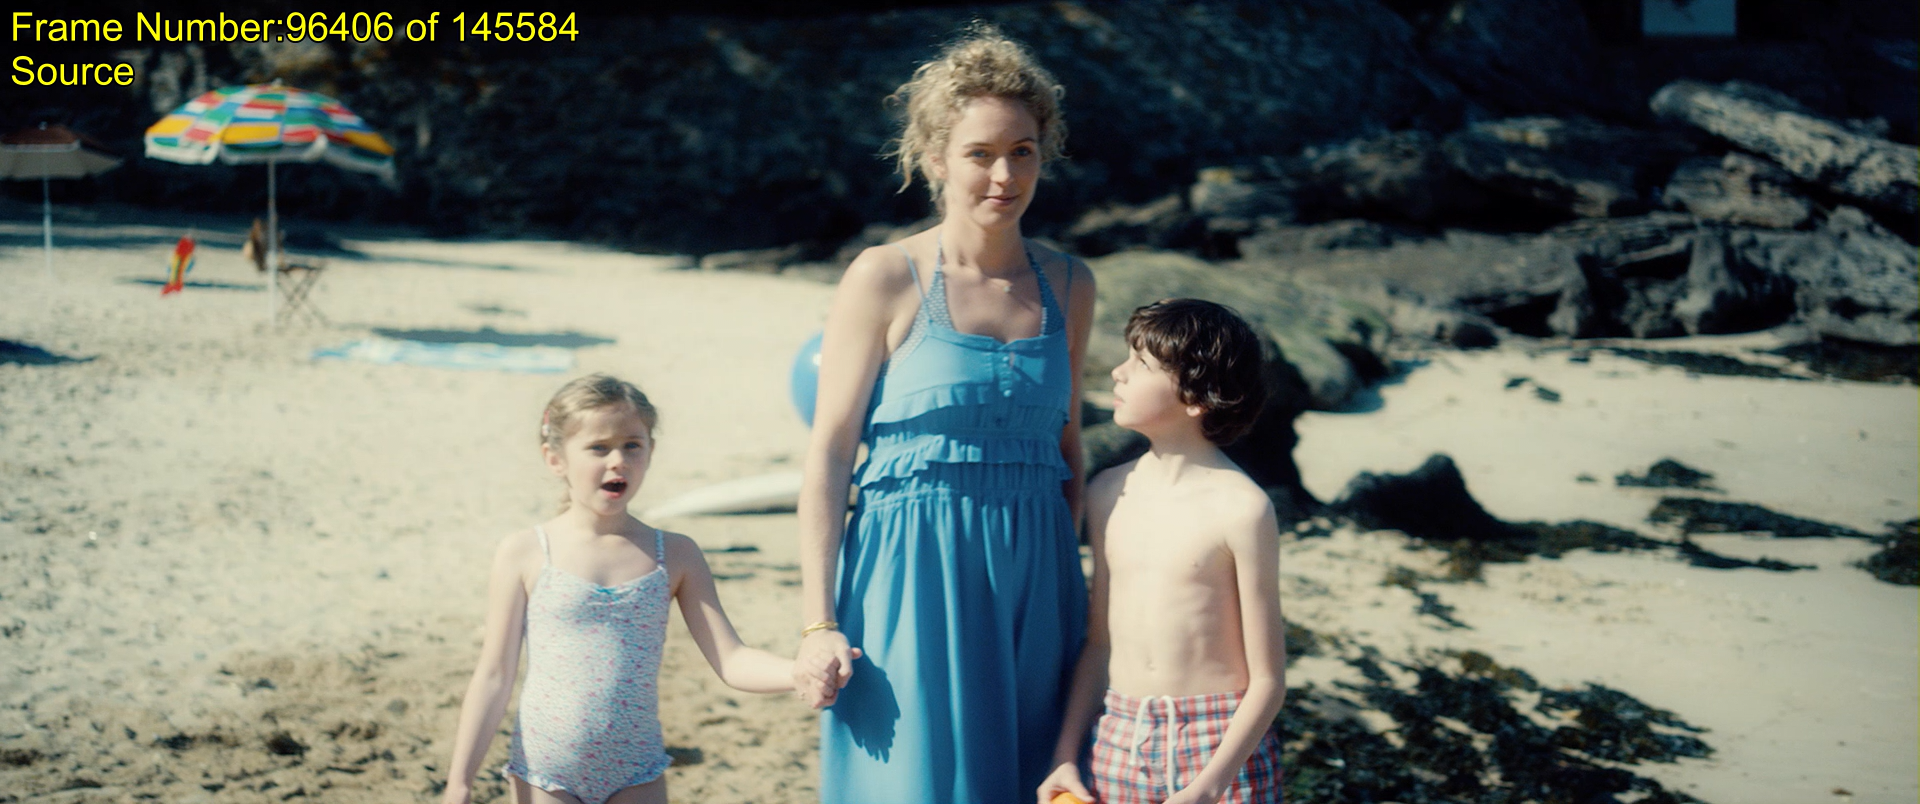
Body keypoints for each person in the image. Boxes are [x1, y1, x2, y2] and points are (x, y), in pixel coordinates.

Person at [790, 26, 1098, 802]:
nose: (1004, 175)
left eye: (1023, 151)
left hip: (1039, 582)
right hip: (910, 577)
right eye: (979, 153)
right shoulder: (884, 277)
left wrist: (1071, 589)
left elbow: (1069, 449)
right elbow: (829, 457)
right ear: (934, 159)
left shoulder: (1070, 284)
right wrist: (819, 623)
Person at [440, 374, 834, 804]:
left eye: (632, 445)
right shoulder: (526, 552)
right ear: (555, 459)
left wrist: (796, 673)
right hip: (546, 772)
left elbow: (731, 658)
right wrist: (460, 782)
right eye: (598, 448)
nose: (618, 461)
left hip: (636, 772)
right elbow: (494, 677)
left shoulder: (676, 555)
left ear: (650, 451)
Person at [1037, 299, 1286, 804]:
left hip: (1217, 746)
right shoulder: (1107, 493)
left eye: (1142, 363)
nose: (1118, 371)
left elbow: (1268, 680)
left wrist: (1207, 787)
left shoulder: (1243, 509)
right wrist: (1064, 755)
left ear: (1198, 397)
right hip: (1118, 735)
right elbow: (1099, 644)